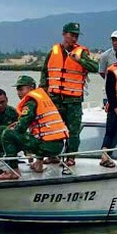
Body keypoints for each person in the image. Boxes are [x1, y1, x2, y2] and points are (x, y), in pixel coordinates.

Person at [39, 22, 99, 167]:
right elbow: (44, 71)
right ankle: (53, 155)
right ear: (64, 34)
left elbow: (95, 67)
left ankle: (71, 157)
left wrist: (81, 60)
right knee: (53, 128)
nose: (74, 38)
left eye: (76, 35)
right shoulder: (53, 51)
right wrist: (43, 90)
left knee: (73, 130)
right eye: (72, 35)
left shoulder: (81, 52)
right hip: (55, 98)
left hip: (73, 99)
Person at [0, 75, 69, 180]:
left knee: (8, 134)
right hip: (58, 146)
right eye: (17, 89)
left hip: (47, 146)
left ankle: (13, 171)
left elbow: (21, 128)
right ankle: (39, 164)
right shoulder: (43, 99)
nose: (18, 92)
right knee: (37, 135)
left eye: (21, 89)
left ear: (31, 88)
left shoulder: (31, 103)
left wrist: (15, 127)